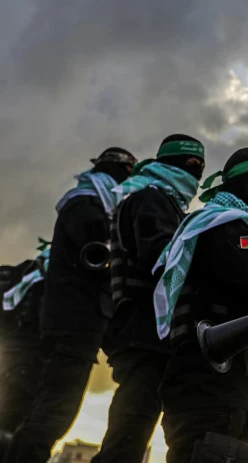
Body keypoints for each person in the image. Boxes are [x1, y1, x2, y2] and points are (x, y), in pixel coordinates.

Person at [155, 148, 248, 463]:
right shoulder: (224, 226)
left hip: (216, 390)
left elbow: (242, 307)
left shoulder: (214, 226)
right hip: (213, 392)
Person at [5, 147, 137, 463]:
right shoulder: (86, 205)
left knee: (37, 410)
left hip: (69, 326)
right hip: (73, 327)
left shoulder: (87, 201)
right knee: (55, 411)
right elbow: (98, 255)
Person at [92, 135, 207, 463]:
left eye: (200, 166)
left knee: (135, 431)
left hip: (151, 334)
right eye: (191, 163)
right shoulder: (150, 199)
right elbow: (160, 257)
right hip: (141, 332)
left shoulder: (165, 200)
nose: (197, 172)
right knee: (128, 433)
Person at [0, 242, 50, 449]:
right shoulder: (46, 279)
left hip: (12, 351)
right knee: (13, 416)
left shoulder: (20, 276)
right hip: (26, 356)